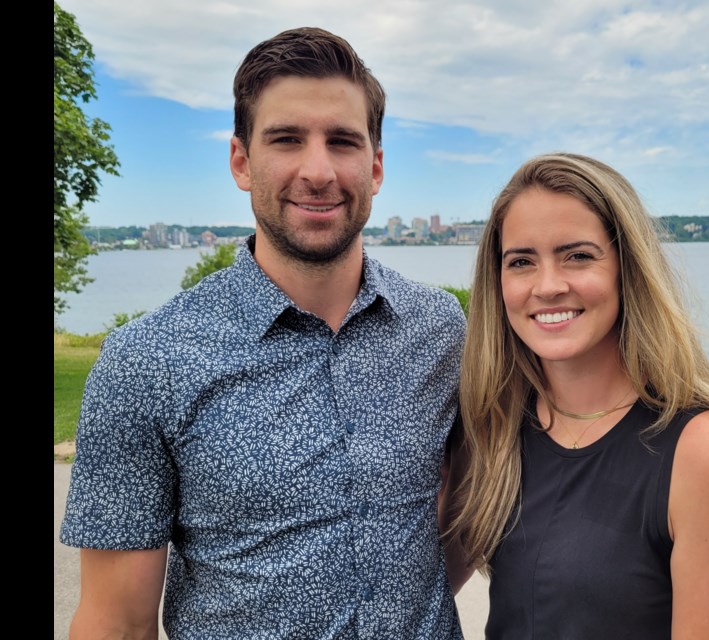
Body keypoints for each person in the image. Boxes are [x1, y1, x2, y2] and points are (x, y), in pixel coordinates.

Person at [60, 27, 467, 638]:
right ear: (241, 161)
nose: (319, 170)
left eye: (342, 141)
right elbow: (116, 625)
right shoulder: (146, 361)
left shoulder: (438, 330)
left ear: (376, 167)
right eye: (286, 139)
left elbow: (452, 515)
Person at [446, 152, 709, 639]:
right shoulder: (496, 427)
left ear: (627, 267)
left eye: (578, 255)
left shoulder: (704, 450)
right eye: (521, 261)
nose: (548, 285)